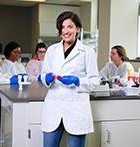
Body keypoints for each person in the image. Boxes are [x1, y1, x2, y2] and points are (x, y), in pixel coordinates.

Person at [39, 11, 100, 147]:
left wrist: (78, 81)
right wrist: (46, 78)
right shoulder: (52, 50)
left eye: (70, 27)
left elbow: (95, 81)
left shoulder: (87, 52)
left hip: (76, 108)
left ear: (77, 29)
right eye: (63, 27)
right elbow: (43, 74)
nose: (66, 31)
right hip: (53, 107)